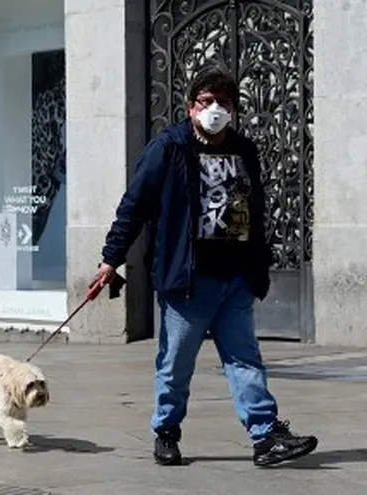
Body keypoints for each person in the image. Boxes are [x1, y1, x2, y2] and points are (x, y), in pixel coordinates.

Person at [93, 66, 317, 467]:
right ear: (191, 107)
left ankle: (265, 437)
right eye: (206, 102)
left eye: (223, 103)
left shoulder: (244, 150)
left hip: (235, 279)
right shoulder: (170, 147)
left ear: (234, 109)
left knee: (245, 359)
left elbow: (256, 208)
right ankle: (166, 431)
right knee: (176, 364)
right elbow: (135, 205)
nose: (215, 109)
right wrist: (112, 258)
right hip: (187, 281)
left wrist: (258, 266)